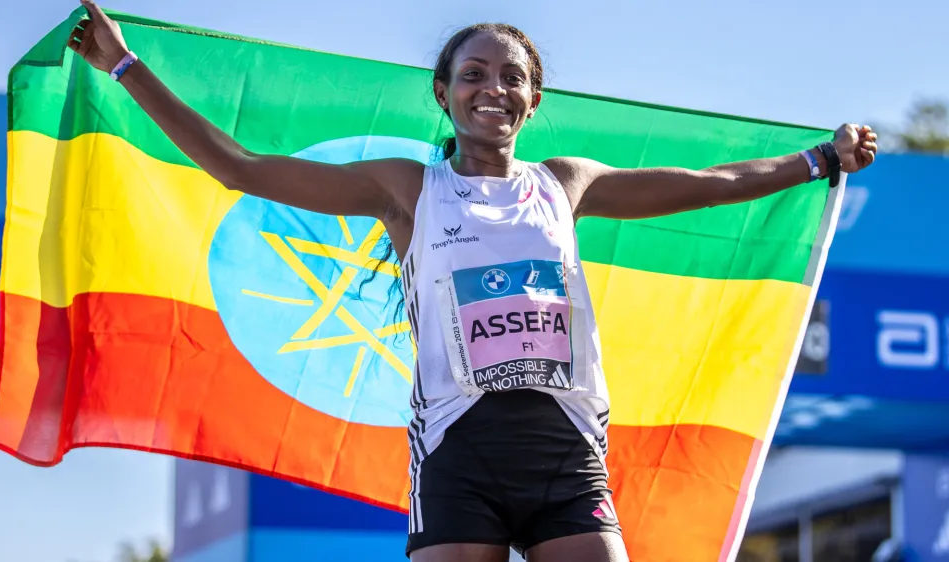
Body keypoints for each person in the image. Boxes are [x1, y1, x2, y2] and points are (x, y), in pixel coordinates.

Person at [67, 1, 879, 561]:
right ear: (444, 93)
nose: (493, 89)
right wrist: (126, 65)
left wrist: (818, 160)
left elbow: (714, 183)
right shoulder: (406, 189)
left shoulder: (568, 183)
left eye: (511, 77)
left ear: (533, 99)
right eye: (474, 75)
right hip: (459, 456)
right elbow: (238, 167)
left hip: (567, 456)